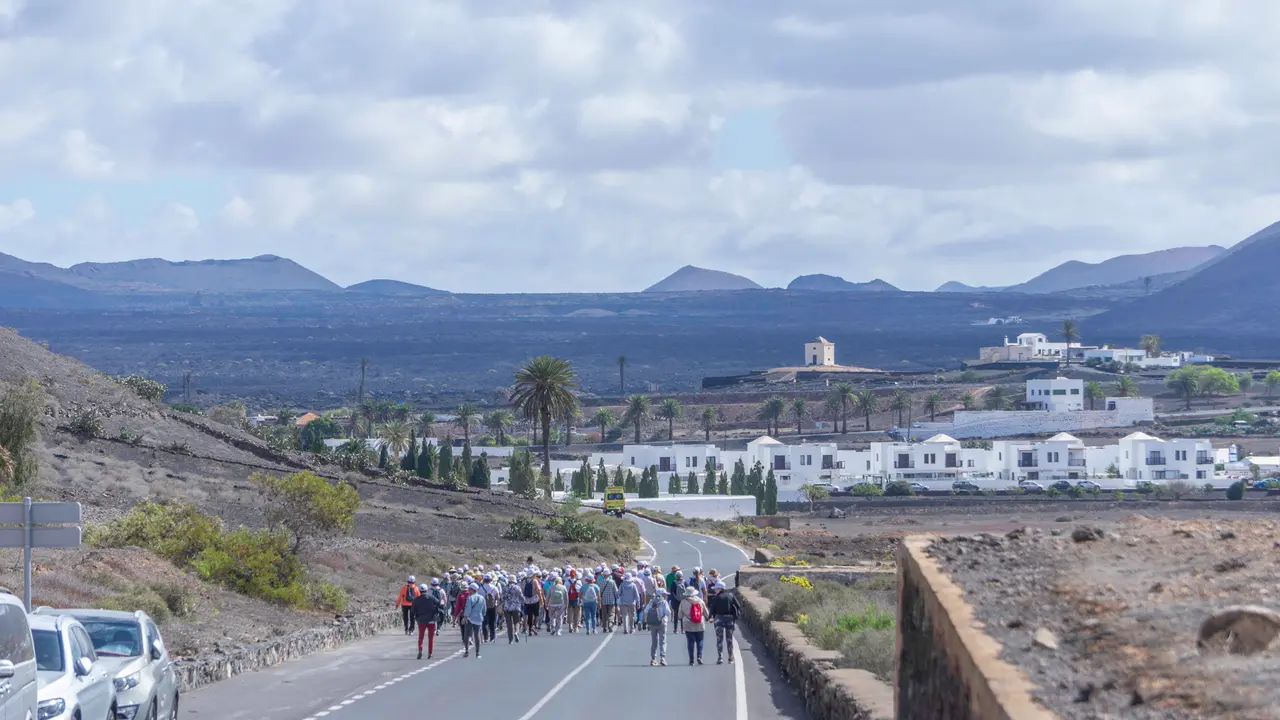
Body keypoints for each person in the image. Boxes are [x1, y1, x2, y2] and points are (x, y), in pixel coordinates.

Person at [707, 581, 742, 664]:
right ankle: (730, 657)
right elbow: (738, 606)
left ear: (720, 589)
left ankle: (720, 657)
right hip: (730, 618)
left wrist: (709, 617)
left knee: (719, 639)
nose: (715, 590)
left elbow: (712, 610)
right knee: (729, 639)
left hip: (719, 618)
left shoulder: (716, 598)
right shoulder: (730, 595)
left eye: (716, 589)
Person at [411, 582, 445, 659]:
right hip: (431, 619)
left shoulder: (416, 600)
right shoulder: (431, 598)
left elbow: (413, 611)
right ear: (426, 590)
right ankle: (430, 653)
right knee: (431, 638)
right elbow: (440, 604)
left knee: (421, 637)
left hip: (421, 620)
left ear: (419, 590)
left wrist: (415, 618)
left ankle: (420, 650)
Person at [678, 586, 709, 665]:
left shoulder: (683, 602)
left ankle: (691, 660)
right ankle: (699, 656)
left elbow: (680, 616)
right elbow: (706, 613)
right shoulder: (700, 601)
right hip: (699, 623)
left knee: (690, 641)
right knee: (700, 640)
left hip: (688, 624)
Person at [643, 587, 671, 666]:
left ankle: (653, 658)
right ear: (662, 594)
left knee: (654, 641)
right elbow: (668, 612)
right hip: (662, 623)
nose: (666, 595)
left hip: (652, 624)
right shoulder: (664, 602)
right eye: (665, 594)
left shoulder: (652, 602)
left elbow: (645, 611)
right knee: (662, 641)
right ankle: (662, 658)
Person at [462, 582, 487, 658]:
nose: (468, 590)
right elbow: (484, 610)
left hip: (470, 619)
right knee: (477, 635)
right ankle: (477, 652)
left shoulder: (470, 598)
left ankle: (466, 651)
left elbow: (468, 610)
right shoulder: (482, 598)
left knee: (467, 635)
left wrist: (464, 618)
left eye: (469, 589)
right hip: (478, 619)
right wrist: (482, 615)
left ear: (472, 590)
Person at [502, 573, 525, 644]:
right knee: (517, 622)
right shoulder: (517, 588)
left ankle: (510, 640)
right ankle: (516, 632)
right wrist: (523, 603)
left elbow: (502, 597)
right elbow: (521, 597)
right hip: (516, 607)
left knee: (509, 624)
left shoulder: (505, 588)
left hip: (507, 608)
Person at [522, 570, 544, 638]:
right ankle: (534, 625)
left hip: (526, 601)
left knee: (529, 615)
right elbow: (538, 590)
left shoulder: (523, 581)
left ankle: (529, 629)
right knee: (536, 614)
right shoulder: (535, 581)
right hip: (534, 600)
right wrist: (541, 599)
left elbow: (522, 590)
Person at [598, 569, 619, 633]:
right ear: (609, 575)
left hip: (603, 601)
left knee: (604, 614)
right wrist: (617, 599)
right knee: (611, 613)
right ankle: (610, 623)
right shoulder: (612, 582)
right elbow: (616, 592)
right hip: (611, 600)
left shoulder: (601, 582)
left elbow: (599, 591)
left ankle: (605, 627)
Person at [481, 574, 500, 643]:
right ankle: (492, 637)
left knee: (484, 623)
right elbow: (498, 598)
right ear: (490, 580)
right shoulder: (494, 588)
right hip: (493, 607)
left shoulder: (480, 588)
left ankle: (486, 637)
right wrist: (498, 606)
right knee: (492, 622)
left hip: (483, 607)